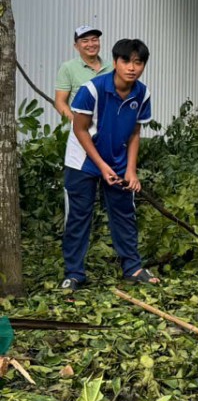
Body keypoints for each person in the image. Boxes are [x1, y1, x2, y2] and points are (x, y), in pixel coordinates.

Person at [61, 38, 159, 290]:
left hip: (117, 159)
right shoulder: (91, 90)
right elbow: (80, 129)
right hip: (82, 160)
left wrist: (130, 170)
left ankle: (133, 268)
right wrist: (101, 166)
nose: (131, 67)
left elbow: (135, 133)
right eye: (126, 61)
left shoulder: (142, 93)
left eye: (138, 62)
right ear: (115, 62)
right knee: (79, 216)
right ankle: (74, 274)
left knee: (124, 213)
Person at [55, 25, 112, 119]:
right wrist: (77, 125)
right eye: (85, 41)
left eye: (94, 39)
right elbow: (60, 102)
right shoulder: (68, 68)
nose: (91, 44)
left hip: (106, 128)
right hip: (78, 130)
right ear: (76, 46)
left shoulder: (111, 67)